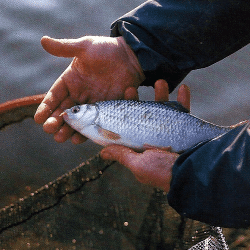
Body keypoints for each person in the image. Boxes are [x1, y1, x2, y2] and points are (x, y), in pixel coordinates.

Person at [34, 0, 250, 228]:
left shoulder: (97, 125)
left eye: (76, 110)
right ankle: (226, 138)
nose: (70, 112)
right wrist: (133, 48)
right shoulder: (96, 122)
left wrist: (190, 177)